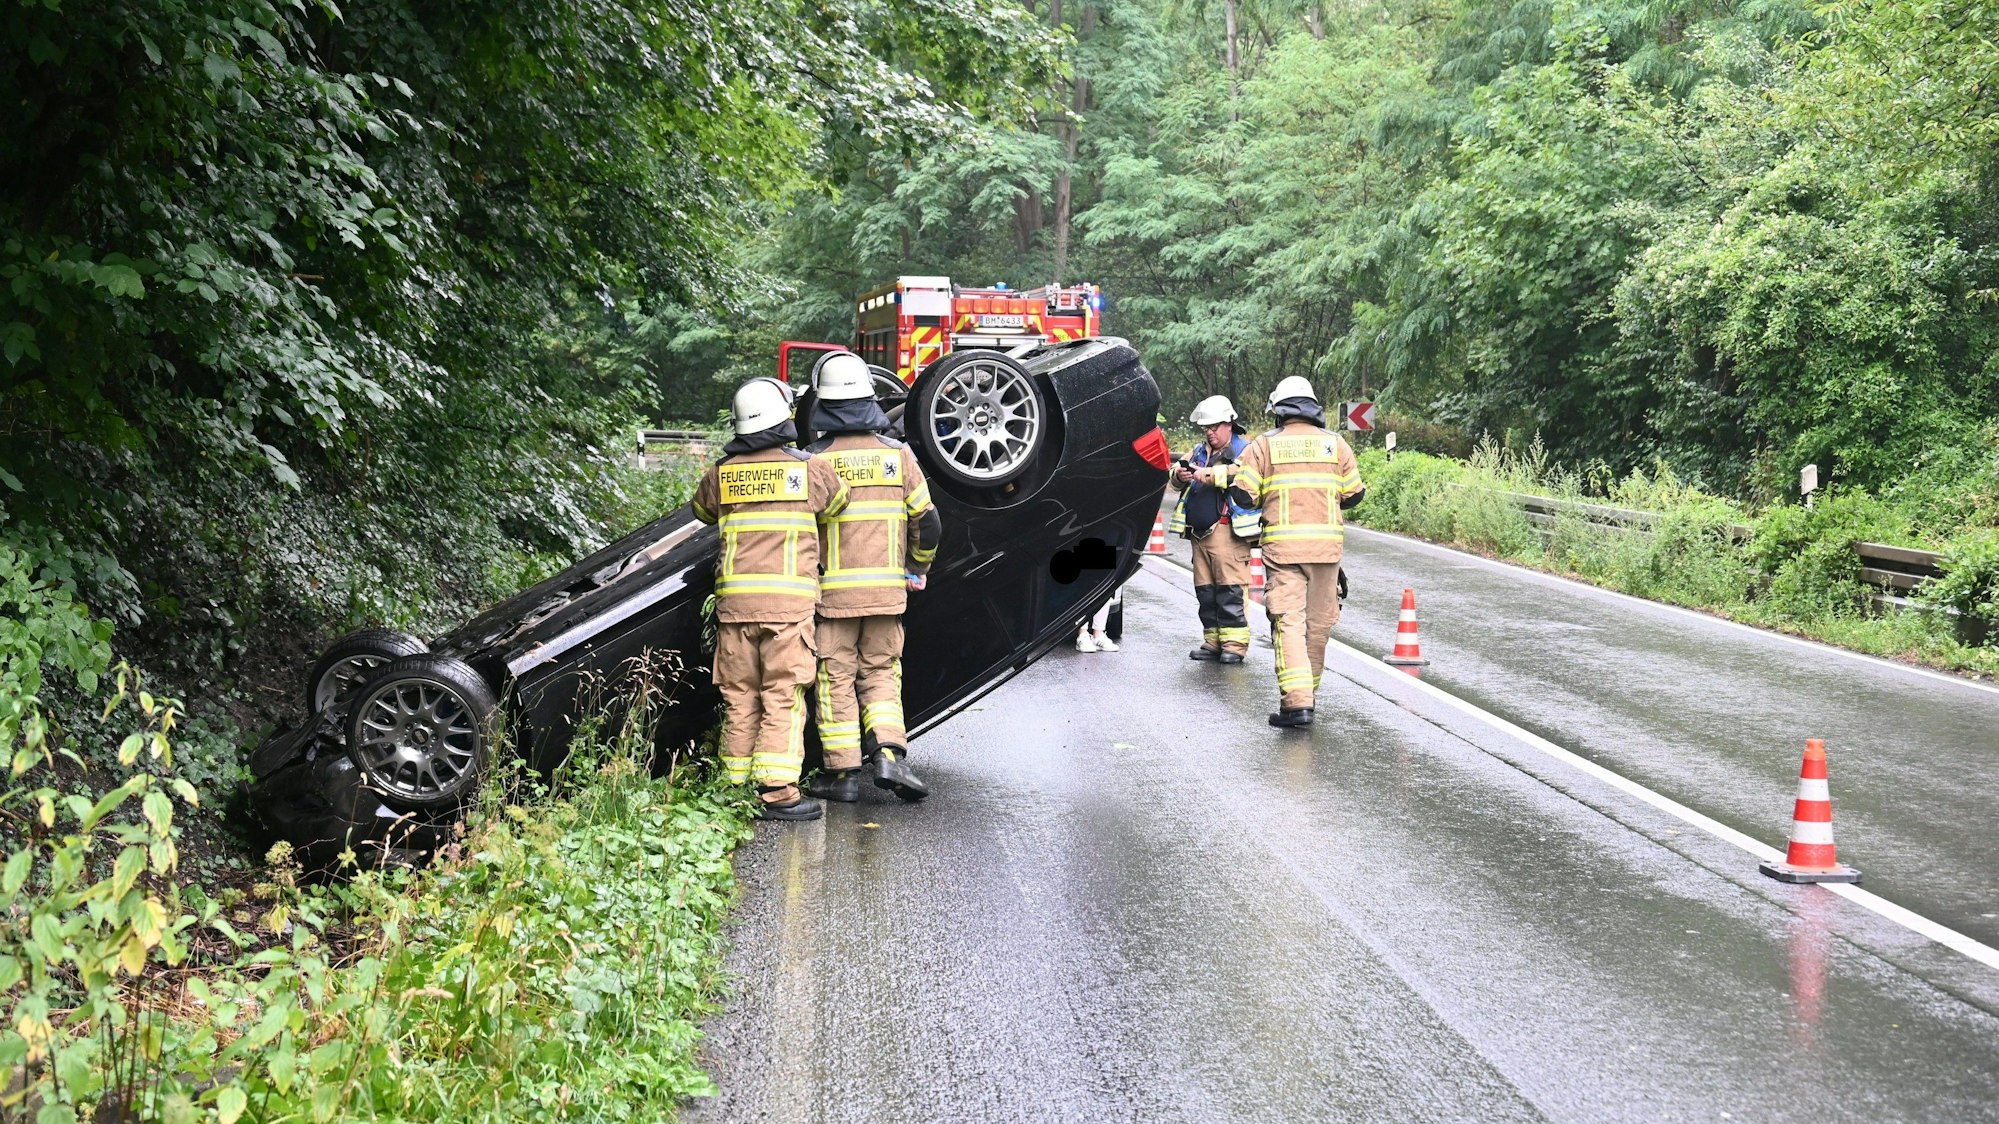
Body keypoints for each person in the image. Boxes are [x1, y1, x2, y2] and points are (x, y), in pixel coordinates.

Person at [691, 376, 849, 818]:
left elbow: (701, 511)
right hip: (788, 611)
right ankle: (777, 792)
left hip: (735, 610)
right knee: (782, 695)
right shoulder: (809, 469)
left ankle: (733, 788)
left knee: (740, 695)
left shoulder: (721, 474)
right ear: (785, 416)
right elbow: (838, 502)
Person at [801, 352, 942, 802]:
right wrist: (917, 568)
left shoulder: (812, 461)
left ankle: (842, 776)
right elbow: (930, 522)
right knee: (881, 673)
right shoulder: (898, 457)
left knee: (835, 677)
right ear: (869, 399)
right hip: (886, 594)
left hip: (831, 599)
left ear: (823, 404)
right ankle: (888, 755)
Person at [1228, 376, 1365, 727]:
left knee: (1289, 623)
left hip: (1284, 552)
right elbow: (1354, 495)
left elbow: (1244, 495)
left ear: (1279, 411)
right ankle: (1309, 699)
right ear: (1314, 407)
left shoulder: (1264, 446)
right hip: (1326, 552)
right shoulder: (1336, 444)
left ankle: (1296, 704)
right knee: (1318, 627)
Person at [1169, 395, 1258, 664]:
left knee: (1229, 590)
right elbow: (1174, 476)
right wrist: (1180, 474)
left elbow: (1239, 475)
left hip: (1227, 532)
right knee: (1206, 592)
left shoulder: (1246, 450)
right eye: (1206, 428)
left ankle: (1235, 645)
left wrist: (1202, 474)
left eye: (1214, 427)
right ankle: (1213, 641)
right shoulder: (1199, 451)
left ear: (1229, 423)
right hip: (1199, 535)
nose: (1209, 432)